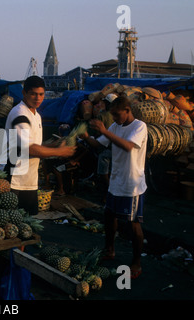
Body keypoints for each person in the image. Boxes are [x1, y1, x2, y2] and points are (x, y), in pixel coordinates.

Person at [80, 95, 147, 279]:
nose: (115, 119)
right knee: (109, 216)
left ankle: (136, 262)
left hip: (131, 184)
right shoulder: (115, 127)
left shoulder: (139, 127)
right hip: (116, 181)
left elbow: (127, 146)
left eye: (118, 115)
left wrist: (104, 130)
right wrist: (86, 136)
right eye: (113, 115)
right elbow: (99, 144)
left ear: (127, 111)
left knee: (133, 224)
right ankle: (109, 250)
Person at [1, 76, 76, 215]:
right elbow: (29, 148)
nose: (38, 98)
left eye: (41, 94)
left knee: (28, 222)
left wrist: (54, 145)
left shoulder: (36, 115)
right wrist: (60, 152)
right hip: (15, 179)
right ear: (24, 93)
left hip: (30, 180)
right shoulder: (19, 114)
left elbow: (36, 145)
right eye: (33, 94)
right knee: (12, 222)